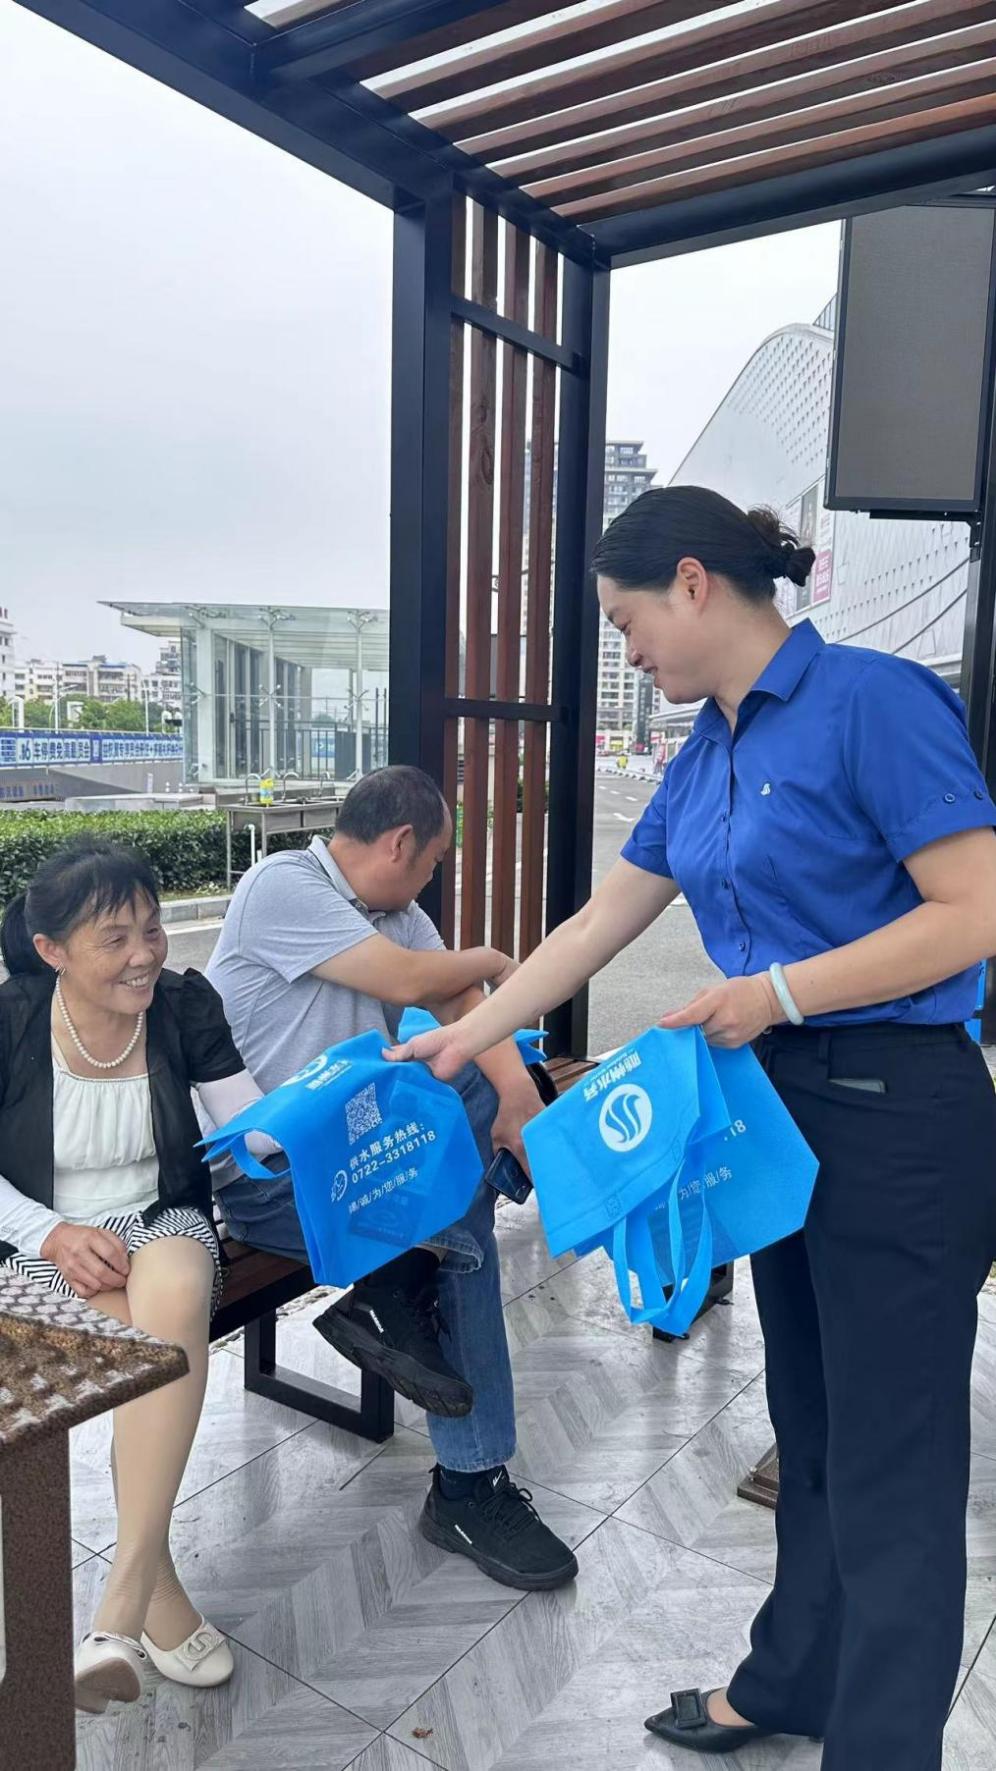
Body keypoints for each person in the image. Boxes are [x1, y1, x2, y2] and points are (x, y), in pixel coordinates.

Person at [389, 486, 996, 1771]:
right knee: (812, 1421)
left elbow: (974, 911)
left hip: (900, 1115)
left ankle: (882, 1749)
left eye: (626, 622)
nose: (628, 651)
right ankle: (795, 1677)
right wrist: (465, 1030)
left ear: (694, 583)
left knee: (893, 1457)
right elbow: (599, 921)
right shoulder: (704, 751)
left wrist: (775, 993)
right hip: (773, 1109)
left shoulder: (873, 702)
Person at [205, 764, 578, 1592]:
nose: (432, 877)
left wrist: (519, 1101)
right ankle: (468, 1485)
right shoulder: (282, 884)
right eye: (436, 859)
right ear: (402, 841)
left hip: (363, 1167)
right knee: (464, 1243)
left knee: (486, 1089)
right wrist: (498, 959)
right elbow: (420, 982)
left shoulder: (397, 914)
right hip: (273, 1181)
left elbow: (460, 1007)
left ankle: (400, 1283)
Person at [0, 839, 283, 1713]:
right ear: (51, 950)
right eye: (115, 937)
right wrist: (51, 1233)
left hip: (162, 1219)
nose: (144, 954)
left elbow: (252, 1130)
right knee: (160, 1347)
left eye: (152, 930)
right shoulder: (10, 1019)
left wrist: (320, 1101)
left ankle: (114, 1610)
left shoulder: (183, 1004)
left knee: (176, 1287)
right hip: (39, 1237)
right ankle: (150, 1590)